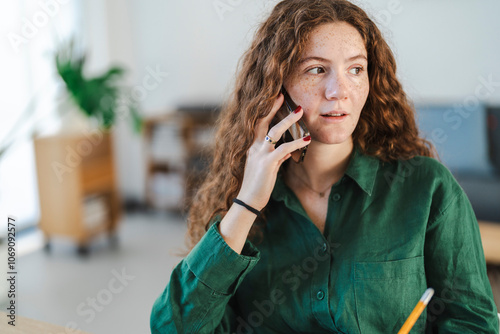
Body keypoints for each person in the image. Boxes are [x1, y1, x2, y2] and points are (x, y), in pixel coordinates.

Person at [150, 0, 499, 333]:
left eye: (355, 69)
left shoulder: (427, 187)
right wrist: (246, 205)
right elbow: (172, 328)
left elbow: (473, 323)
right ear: (276, 85)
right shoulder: (240, 201)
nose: (339, 91)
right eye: (317, 69)